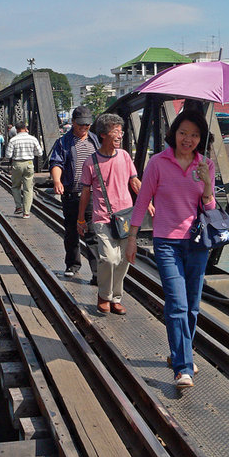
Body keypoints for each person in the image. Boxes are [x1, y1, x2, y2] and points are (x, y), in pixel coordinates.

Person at [126, 110, 215, 388]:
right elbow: (142, 202)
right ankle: (182, 368)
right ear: (173, 133)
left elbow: (211, 209)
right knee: (176, 303)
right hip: (166, 242)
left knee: (192, 306)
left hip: (197, 243)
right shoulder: (158, 163)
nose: (188, 139)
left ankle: (182, 352)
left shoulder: (206, 165)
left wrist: (207, 185)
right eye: (183, 133)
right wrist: (132, 237)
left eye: (195, 135)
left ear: (201, 138)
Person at [77, 113, 150, 315]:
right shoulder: (91, 162)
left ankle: (115, 298)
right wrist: (81, 218)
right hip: (102, 217)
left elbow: (134, 182)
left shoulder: (125, 156)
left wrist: (148, 201)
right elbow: (85, 193)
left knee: (125, 259)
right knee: (108, 259)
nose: (119, 135)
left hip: (126, 216)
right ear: (102, 135)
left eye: (121, 131)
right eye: (115, 131)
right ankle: (103, 295)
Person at [49, 105, 100, 283]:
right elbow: (56, 163)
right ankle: (72, 265)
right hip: (72, 193)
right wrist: (57, 180)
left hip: (92, 194)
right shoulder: (63, 142)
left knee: (92, 233)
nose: (84, 128)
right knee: (71, 231)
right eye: (80, 125)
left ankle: (96, 272)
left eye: (86, 125)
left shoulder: (95, 140)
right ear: (73, 123)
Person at [5, 120, 43, 218]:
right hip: (29, 163)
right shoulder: (33, 139)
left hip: (17, 164)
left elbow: (8, 155)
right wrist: (30, 153)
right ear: (25, 128)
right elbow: (39, 153)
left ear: (16, 130)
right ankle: (26, 213)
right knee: (28, 188)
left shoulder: (13, 140)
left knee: (15, 186)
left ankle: (18, 207)